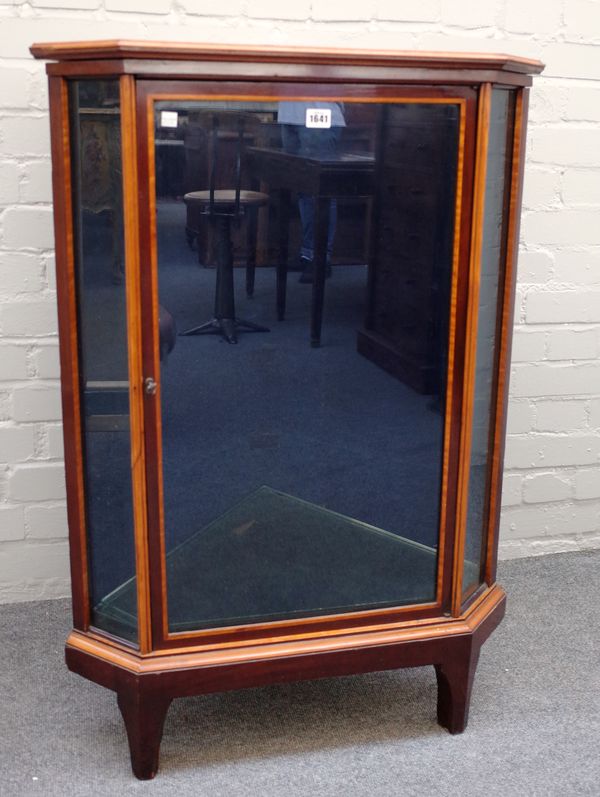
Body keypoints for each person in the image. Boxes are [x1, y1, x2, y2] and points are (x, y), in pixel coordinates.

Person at [278, 101, 346, 283]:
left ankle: (322, 258)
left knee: (320, 191)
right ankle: (308, 253)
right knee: (304, 189)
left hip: (319, 110)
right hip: (289, 112)